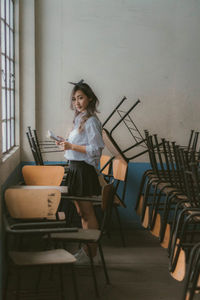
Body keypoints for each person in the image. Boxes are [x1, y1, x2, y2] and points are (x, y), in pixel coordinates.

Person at [57, 79, 104, 264]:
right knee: (81, 213)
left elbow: (96, 149)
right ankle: (87, 251)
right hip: (75, 169)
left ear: (90, 99)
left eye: (81, 98)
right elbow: (78, 146)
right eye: (74, 98)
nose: (77, 102)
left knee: (87, 213)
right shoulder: (79, 120)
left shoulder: (91, 121)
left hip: (83, 171)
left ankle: (91, 253)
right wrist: (65, 144)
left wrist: (72, 146)